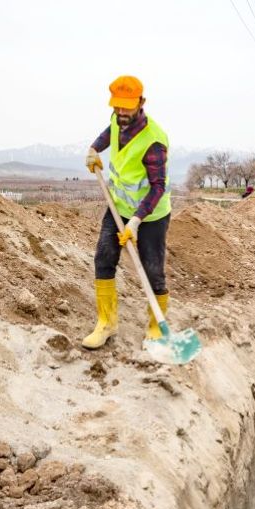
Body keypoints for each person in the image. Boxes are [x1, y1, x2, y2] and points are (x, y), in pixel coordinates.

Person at [82, 75, 171, 350]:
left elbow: (157, 187)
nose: (121, 112)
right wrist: (93, 149)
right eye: (117, 106)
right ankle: (106, 323)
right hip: (117, 207)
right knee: (104, 258)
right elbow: (109, 133)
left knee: (152, 270)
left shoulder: (153, 140)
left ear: (141, 103)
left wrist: (135, 221)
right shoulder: (116, 119)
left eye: (127, 107)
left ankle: (157, 327)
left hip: (150, 215)